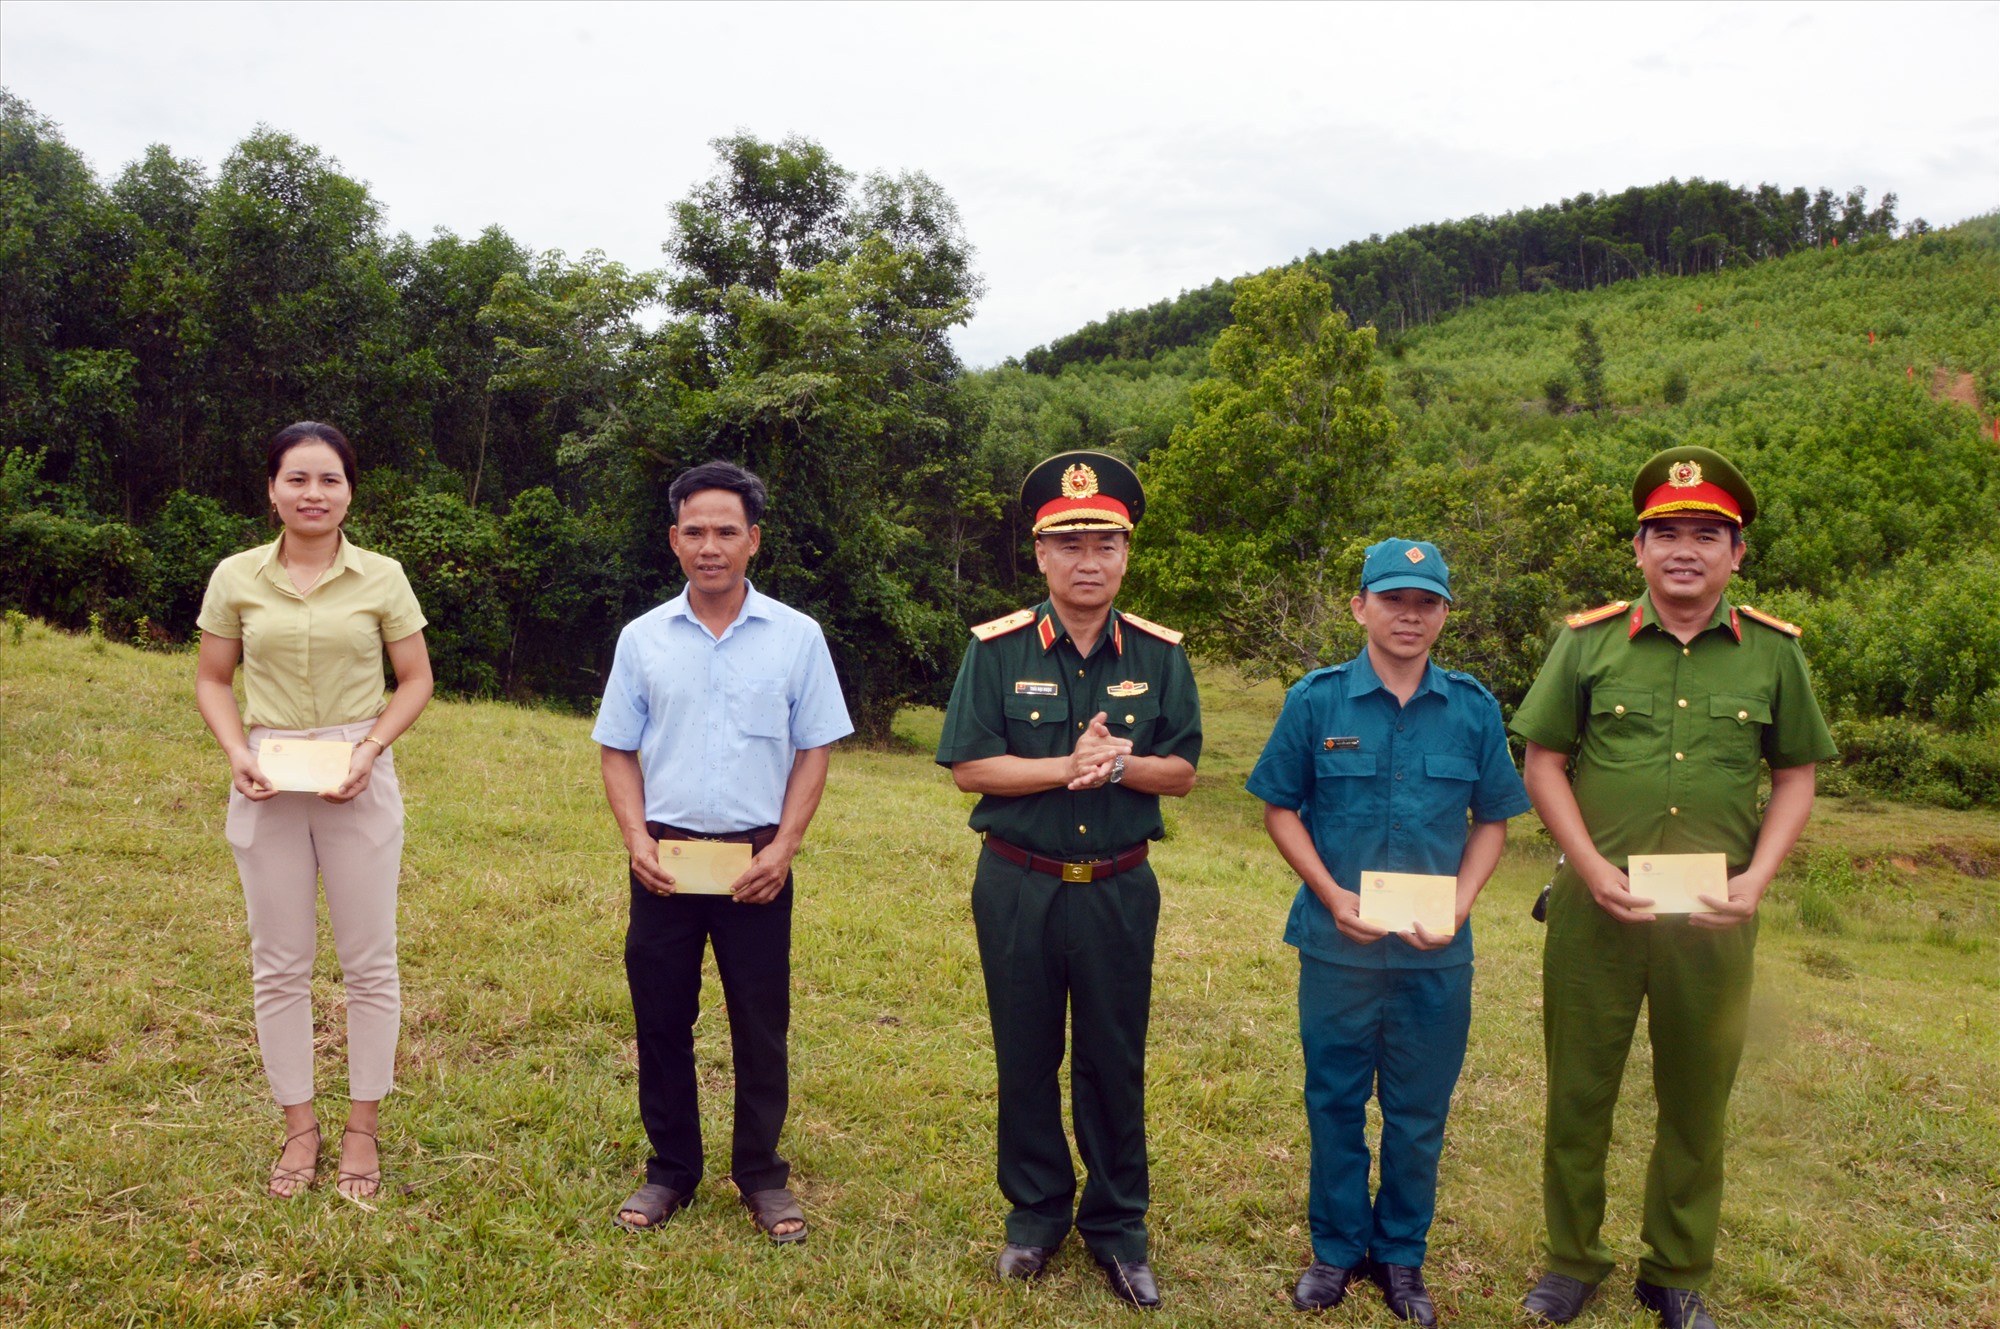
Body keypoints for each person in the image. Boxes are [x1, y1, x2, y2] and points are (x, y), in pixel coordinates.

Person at [1509, 446, 1837, 1329]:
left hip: (1714, 916)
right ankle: (1572, 1259)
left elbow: (1797, 774)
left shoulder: (1772, 654)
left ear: (1738, 553)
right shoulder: (1587, 643)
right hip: (1596, 909)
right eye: (1667, 532)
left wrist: (1759, 878)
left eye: (1707, 533)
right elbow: (1542, 763)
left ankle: (1676, 1267)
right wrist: (1588, 867)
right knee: (1579, 1091)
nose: (1685, 549)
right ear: (1638, 548)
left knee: (1698, 1095)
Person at [935, 450, 1201, 1310]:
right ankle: (1036, 1215)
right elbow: (970, 767)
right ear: (1041, 555)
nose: (1089, 561)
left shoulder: (1160, 656)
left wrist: (1120, 762)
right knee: (1026, 1051)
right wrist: (1067, 766)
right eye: (1070, 543)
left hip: (1121, 886)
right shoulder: (996, 649)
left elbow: (1183, 772)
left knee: (1114, 1058)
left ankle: (1119, 1226)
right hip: (1019, 882)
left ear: (1126, 555)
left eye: (1106, 544)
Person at [1245, 539, 1531, 1324]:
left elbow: (1495, 819)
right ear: (1359, 605)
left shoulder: (1472, 708)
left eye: (1427, 602)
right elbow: (1278, 805)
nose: (1410, 615)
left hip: (1435, 958)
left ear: (1444, 614)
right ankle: (1336, 1250)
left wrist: (1464, 899)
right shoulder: (1317, 700)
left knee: (1416, 1113)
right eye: (1395, 599)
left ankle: (1402, 1258)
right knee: (1333, 1102)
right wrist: (1331, 892)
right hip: (1338, 947)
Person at [593, 459, 852, 1243]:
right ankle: (671, 1168)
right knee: (663, 1016)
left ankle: (762, 1175)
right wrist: (637, 838)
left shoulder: (797, 638)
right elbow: (617, 748)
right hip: (665, 863)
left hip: (756, 865)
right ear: (673, 540)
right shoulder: (643, 640)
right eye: (696, 531)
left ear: (754, 542)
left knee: (759, 1020)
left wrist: (788, 846)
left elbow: (815, 749)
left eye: (726, 532)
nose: (711, 546)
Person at [194, 420, 434, 1201]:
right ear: (272, 488)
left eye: (329, 479)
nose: (313, 493)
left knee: (370, 962)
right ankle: (300, 1127)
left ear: (350, 491)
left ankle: (362, 1127)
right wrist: (236, 751)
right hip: (266, 773)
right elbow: (212, 679)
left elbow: (415, 679)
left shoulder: (383, 576)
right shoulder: (236, 577)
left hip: (355, 773)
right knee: (280, 963)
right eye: (297, 478)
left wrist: (368, 749)